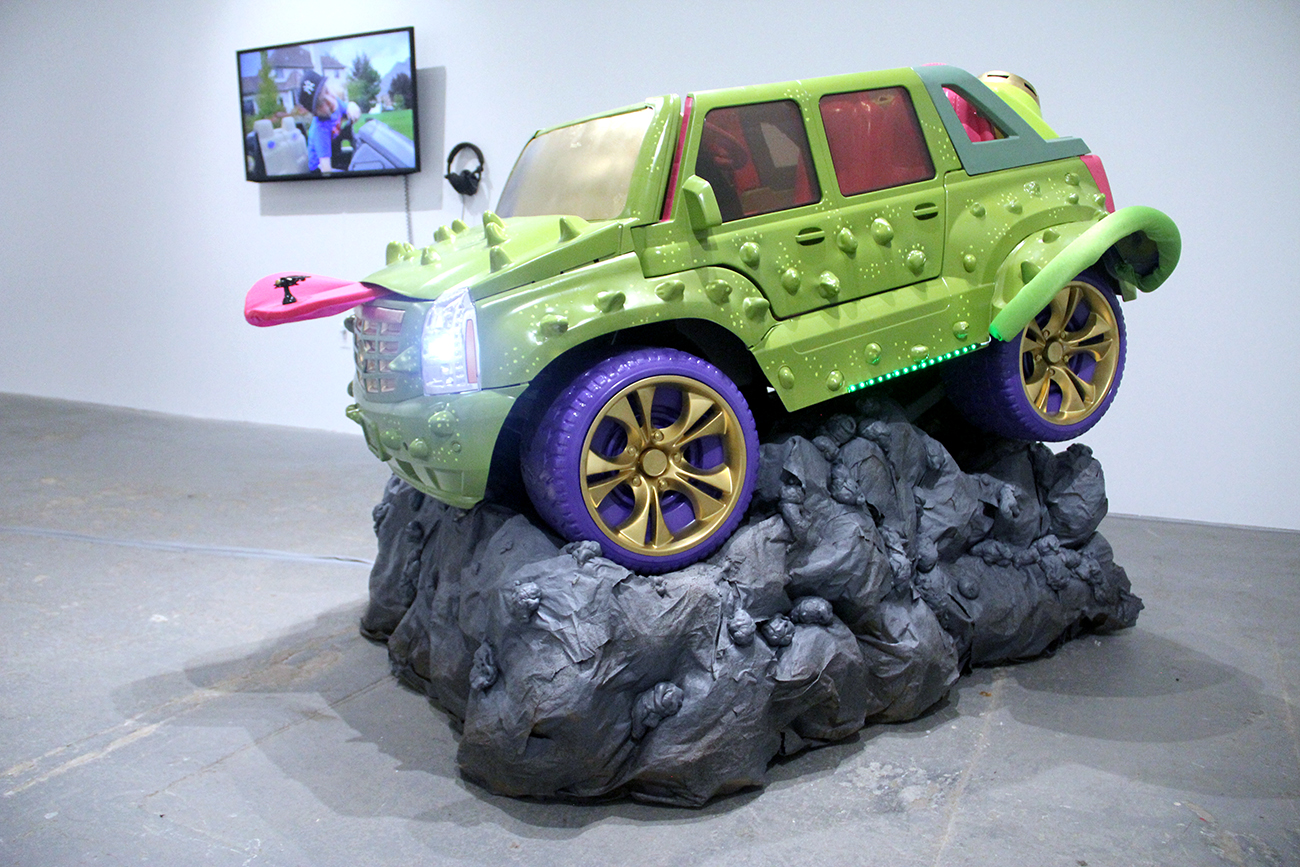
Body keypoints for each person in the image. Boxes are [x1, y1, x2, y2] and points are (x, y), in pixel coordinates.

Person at [296, 70, 361, 173]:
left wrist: (352, 106)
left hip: (334, 154)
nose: (330, 101)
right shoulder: (320, 130)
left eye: (326, 91)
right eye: (321, 103)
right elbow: (326, 170)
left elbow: (350, 109)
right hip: (319, 169)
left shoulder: (335, 103)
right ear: (315, 113)